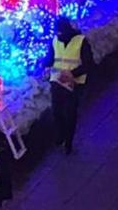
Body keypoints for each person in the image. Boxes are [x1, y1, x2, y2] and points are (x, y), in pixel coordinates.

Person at [45, 17, 93, 154]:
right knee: (56, 111)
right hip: (57, 81)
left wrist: (73, 73)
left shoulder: (81, 41)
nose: (59, 36)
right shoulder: (55, 41)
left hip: (75, 84)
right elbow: (50, 59)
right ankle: (61, 135)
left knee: (70, 113)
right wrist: (43, 63)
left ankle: (68, 141)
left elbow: (88, 63)